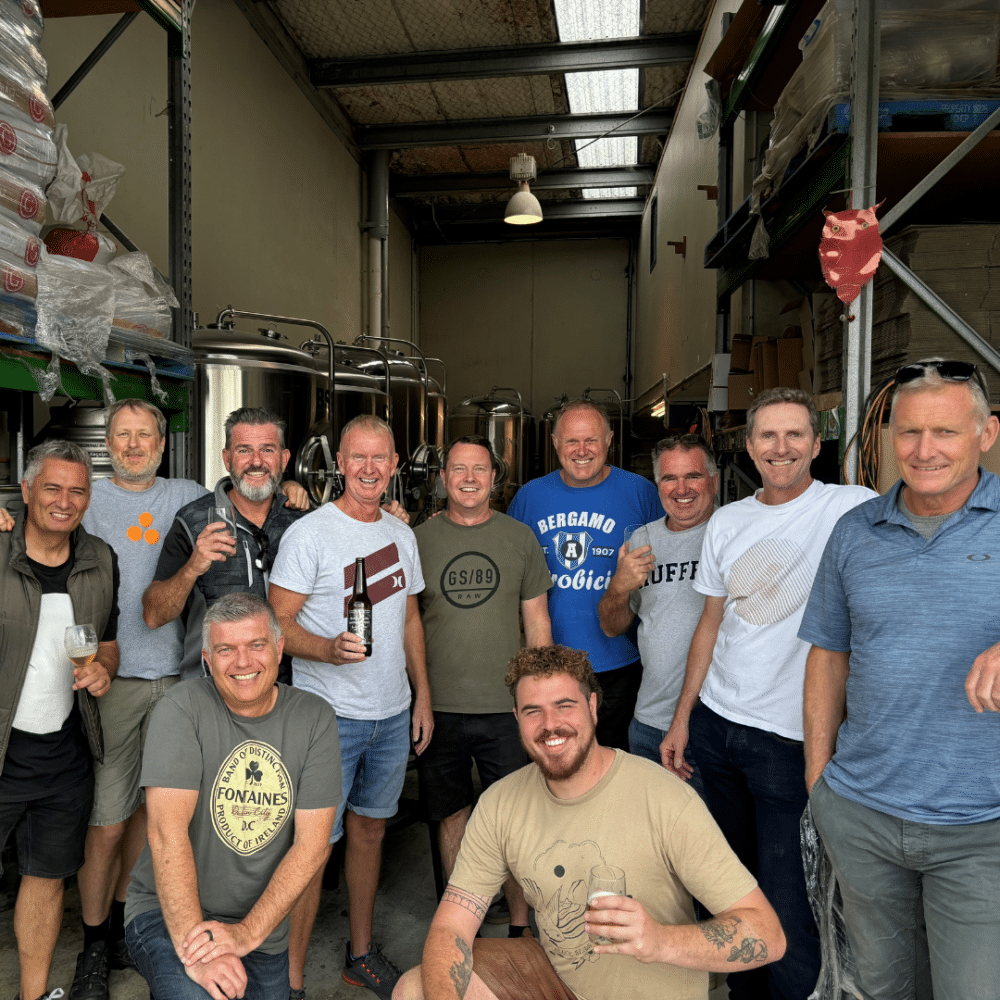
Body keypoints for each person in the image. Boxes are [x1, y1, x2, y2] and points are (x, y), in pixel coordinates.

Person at [394, 644, 785, 1000]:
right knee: (415, 989)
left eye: (564, 705)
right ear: (517, 718)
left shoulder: (665, 799)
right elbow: (451, 927)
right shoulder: (500, 803)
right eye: (533, 711)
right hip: (560, 983)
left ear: (593, 707)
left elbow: (767, 935)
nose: (550, 724)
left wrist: (659, 941)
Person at [659, 387, 875, 1000]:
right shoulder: (728, 521)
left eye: (795, 434)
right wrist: (683, 718)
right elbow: (710, 626)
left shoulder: (852, 508)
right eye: (768, 436)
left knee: (787, 903)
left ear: (817, 443)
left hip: (790, 742)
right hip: (717, 728)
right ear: (749, 447)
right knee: (730, 892)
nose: (781, 448)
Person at [800, 359, 1000, 1000]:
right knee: (881, 988)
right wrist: (818, 781)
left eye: (945, 432)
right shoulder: (855, 531)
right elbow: (828, 654)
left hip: (980, 828)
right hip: (864, 818)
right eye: (909, 432)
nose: (924, 450)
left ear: (986, 434)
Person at [269, 414, 433, 1000]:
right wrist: (327, 650)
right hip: (327, 719)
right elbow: (275, 625)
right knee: (313, 847)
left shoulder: (402, 536)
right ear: (339, 464)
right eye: (357, 457)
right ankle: (289, 981)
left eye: (379, 457)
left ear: (394, 466)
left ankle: (359, 955)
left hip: (390, 713)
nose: (368, 468)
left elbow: (409, 619)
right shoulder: (309, 534)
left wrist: (422, 696)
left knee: (370, 831)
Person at [124, 591, 341, 1000]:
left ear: (278, 648)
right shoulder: (181, 708)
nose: (243, 662)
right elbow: (167, 834)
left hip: (260, 925)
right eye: (226, 649)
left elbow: (312, 846)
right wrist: (199, 949)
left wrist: (246, 933)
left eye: (256, 645)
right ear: (208, 659)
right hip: (166, 910)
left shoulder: (314, 718)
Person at [414, 435, 552, 934]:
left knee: (513, 817)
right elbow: (406, 622)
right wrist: (419, 698)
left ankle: (519, 925)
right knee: (451, 814)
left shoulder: (519, 538)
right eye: (458, 469)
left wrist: (538, 698)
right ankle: (461, 925)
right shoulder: (417, 541)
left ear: (494, 478)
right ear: (442, 478)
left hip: (506, 706)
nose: (469, 478)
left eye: (479, 469)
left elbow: (537, 623)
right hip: (440, 707)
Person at [0, 440, 120, 1000]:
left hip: (64, 754)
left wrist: (102, 672)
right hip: (3, 748)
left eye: (77, 490)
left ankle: (33, 995)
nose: (64, 501)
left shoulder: (100, 559)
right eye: (51, 487)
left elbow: (109, 645)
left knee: (46, 880)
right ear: (26, 491)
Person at [506, 400, 660, 750]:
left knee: (613, 764)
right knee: (554, 761)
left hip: (620, 665)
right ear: (555, 443)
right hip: (550, 667)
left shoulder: (641, 493)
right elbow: (501, 561)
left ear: (609, 440)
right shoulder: (530, 497)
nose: (582, 450)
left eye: (591, 440)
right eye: (571, 441)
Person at [143, 406, 307, 682]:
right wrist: (193, 567)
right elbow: (153, 615)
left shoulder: (304, 520)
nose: (257, 461)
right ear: (227, 459)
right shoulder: (192, 521)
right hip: (215, 691)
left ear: (284, 458)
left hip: (292, 690)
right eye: (244, 450)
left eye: (267, 450)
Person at [598, 434, 718, 775]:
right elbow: (611, 627)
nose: (681, 489)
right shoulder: (642, 539)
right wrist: (618, 587)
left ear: (714, 480)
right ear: (657, 484)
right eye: (669, 478)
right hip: (649, 721)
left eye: (692, 476)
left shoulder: (733, 532)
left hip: (713, 725)